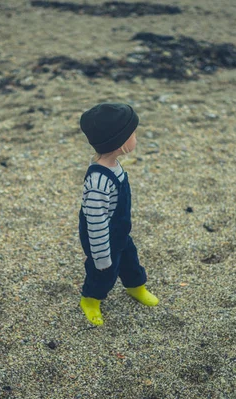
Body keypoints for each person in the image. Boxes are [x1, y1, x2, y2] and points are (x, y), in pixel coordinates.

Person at [78, 103, 159, 326]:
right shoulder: (97, 183)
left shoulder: (114, 165)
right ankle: (91, 299)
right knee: (103, 272)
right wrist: (100, 255)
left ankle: (136, 286)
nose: (136, 137)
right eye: (133, 134)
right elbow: (95, 223)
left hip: (120, 230)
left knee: (130, 261)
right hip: (102, 237)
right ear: (120, 143)